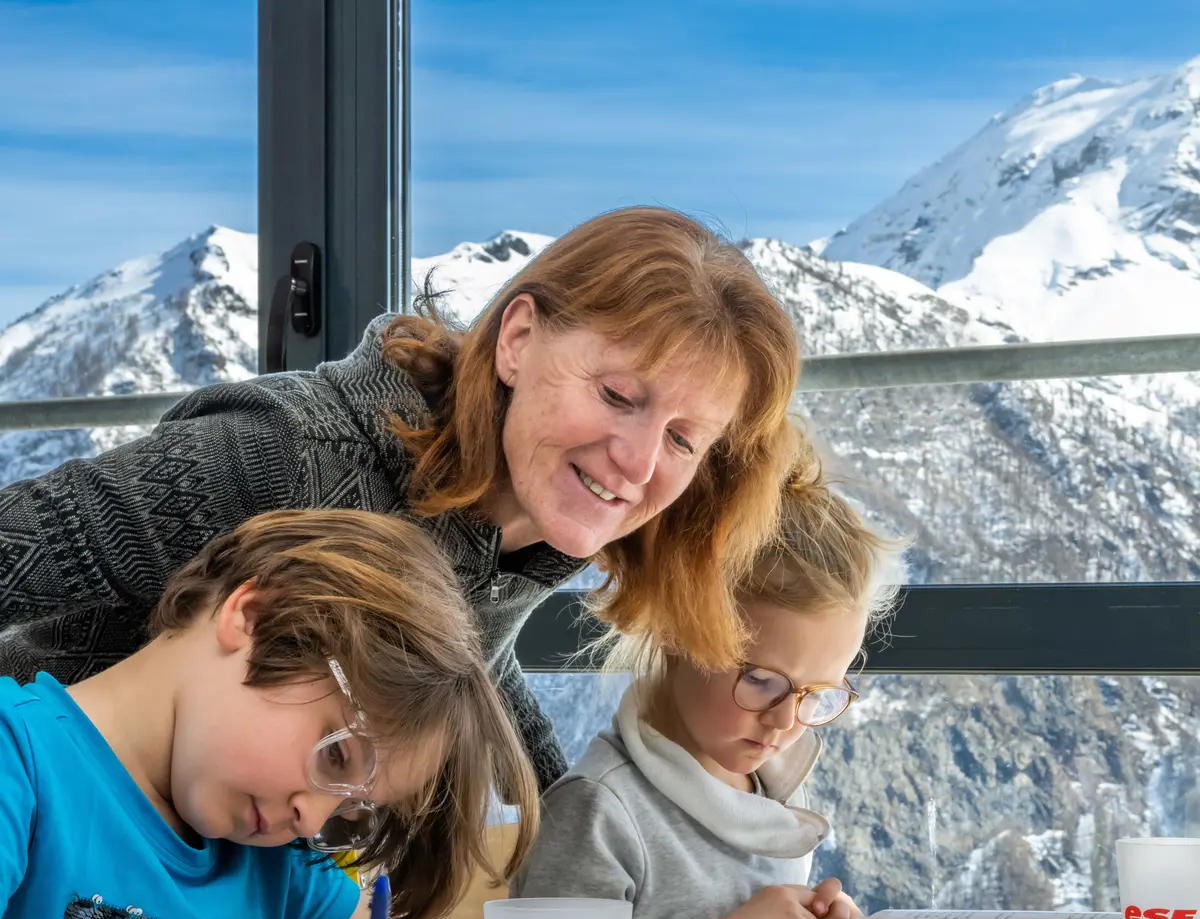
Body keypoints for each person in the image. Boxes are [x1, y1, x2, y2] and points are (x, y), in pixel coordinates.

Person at [0, 207, 801, 791]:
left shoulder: (518, 529)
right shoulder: (278, 459)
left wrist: (575, 848)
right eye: (619, 394)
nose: (637, 461)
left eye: (683, 439)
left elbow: (469, 664)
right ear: (518, 340)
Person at [0, 509, 540, 919]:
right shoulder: (17, 757)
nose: (311, 820)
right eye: (336, 759)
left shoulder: (266, 846)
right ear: (252, 616)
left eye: (347, 810)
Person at [511, 451, 903, 919]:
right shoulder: (597, 815)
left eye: (817, 694)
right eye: (761, 680)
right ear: (677, 628)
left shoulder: (776, 787)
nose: (785, 723)